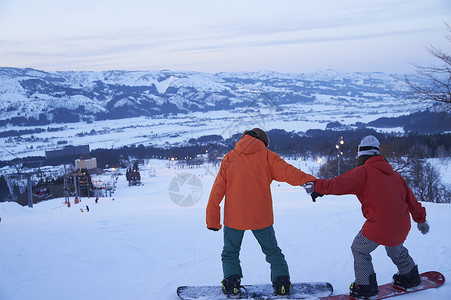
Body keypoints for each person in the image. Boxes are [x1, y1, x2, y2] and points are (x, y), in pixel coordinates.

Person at [305, 135, 429, 299]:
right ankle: (410, 276)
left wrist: (317, 188)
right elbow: (412, 201)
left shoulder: (363, 172)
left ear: (361, 155)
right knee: (394, 246)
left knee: (359, 249)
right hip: (402, 224)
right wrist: (421, 220)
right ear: (378, 154)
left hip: (380, 225)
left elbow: (337, 184)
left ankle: (365, 286)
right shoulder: (395, 176)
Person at [206, 128, 316, 297]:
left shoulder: (230, 158)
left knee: (230, 252)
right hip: (261, 216)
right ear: (262, 142)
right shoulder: (267, 156)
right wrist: (312, 182)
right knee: (272, 251)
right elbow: (289, 172)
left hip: (235, 217)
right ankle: (282, 284)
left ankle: (231, 285)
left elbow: (217, 191)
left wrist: (213, 219)